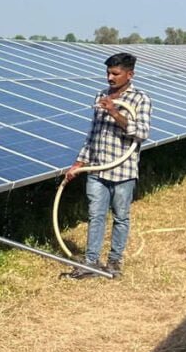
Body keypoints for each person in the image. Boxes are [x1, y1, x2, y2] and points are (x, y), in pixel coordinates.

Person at [61, 52, 152, 279]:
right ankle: (91, 263)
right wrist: (78, 164)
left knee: (121, 217)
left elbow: (141, 133)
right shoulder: (100, 95)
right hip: (97, 169)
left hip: (124, 170)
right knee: (96, 215)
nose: (110, 78)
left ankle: (114, 262)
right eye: (108, 73)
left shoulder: (140, 99)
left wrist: (113, 112)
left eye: (115, 73)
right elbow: (92, 135)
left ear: (130, 74)